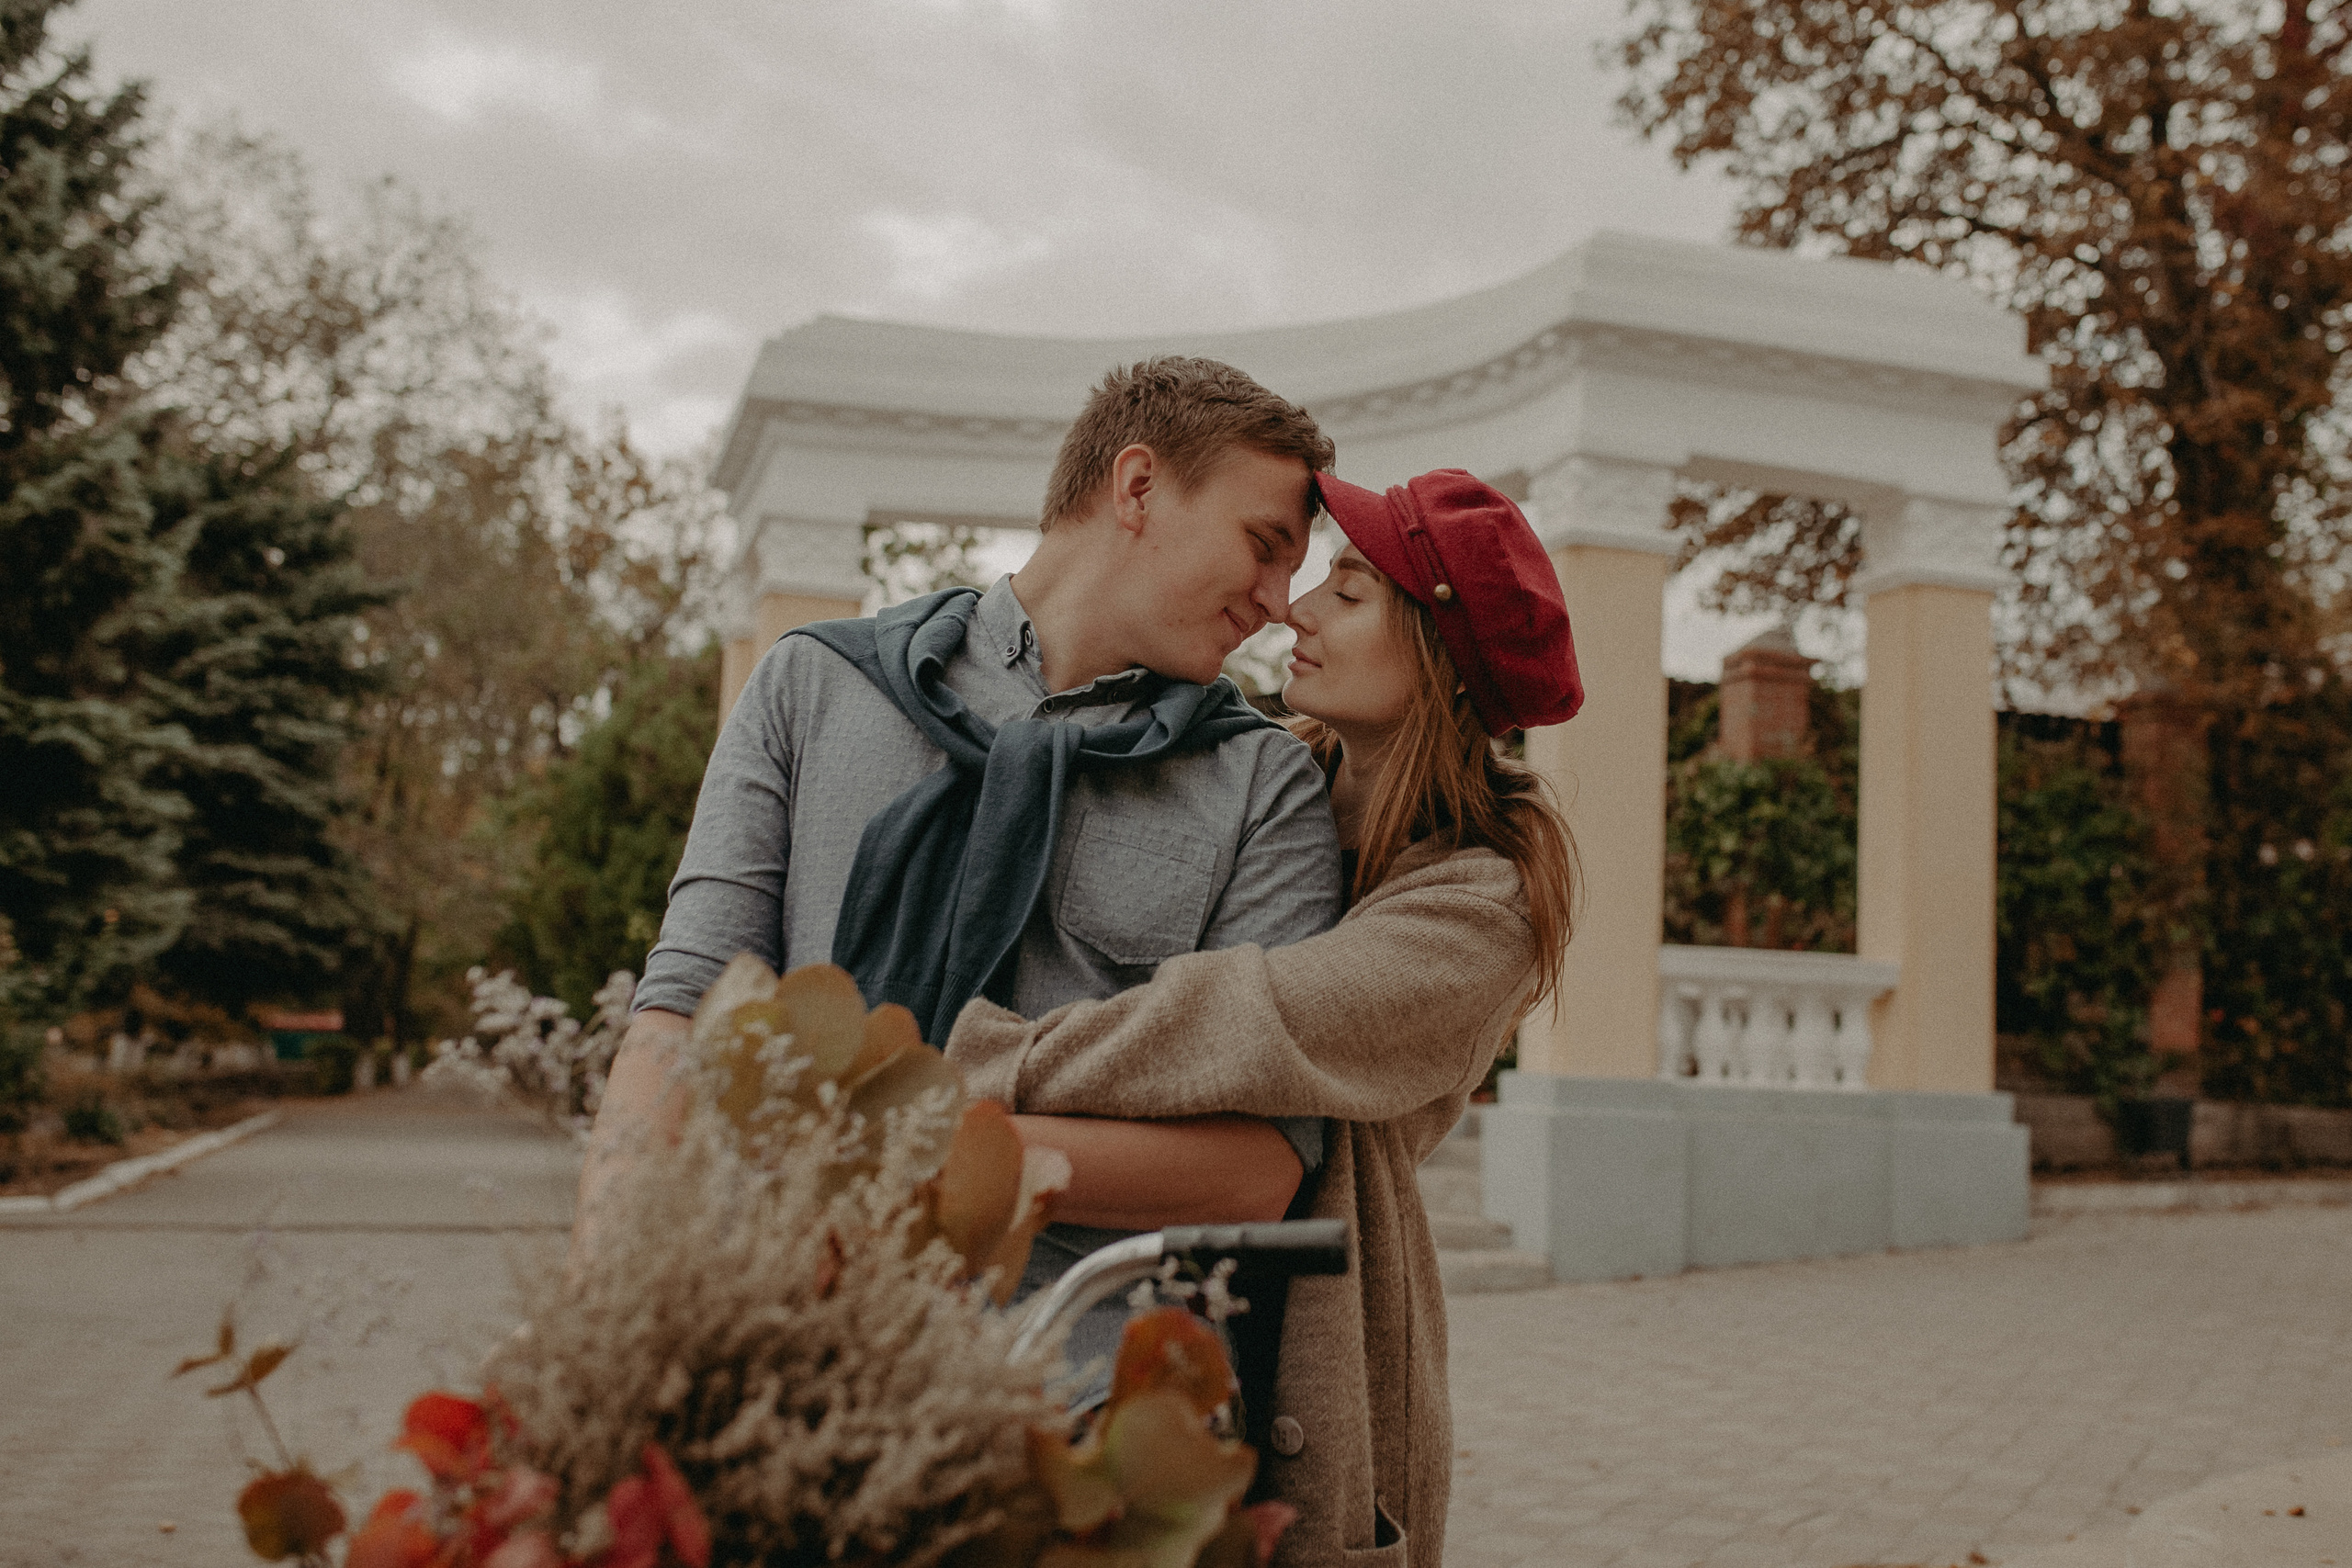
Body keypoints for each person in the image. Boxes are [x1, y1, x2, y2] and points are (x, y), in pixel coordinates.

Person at [581, 355, 1348, 1392]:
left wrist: (910, 1160)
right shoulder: (814, 684)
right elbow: (680, 1016)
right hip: (765, 1357)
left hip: (1071, 1403)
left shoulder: (1263, 784)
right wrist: (603, 1309)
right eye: (1264, 548)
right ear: (1137, 487)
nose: (1276, 603)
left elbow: (1257, 1168)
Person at [947, 468, 1581, 1568]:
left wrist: (973, 1065)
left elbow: (1244, 1021)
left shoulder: (1486, 903)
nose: (1295, 608)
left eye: (1349, 592)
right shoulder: (1261, 774)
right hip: (1128, 1287)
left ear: (1439, 651)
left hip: (1321, 1336)